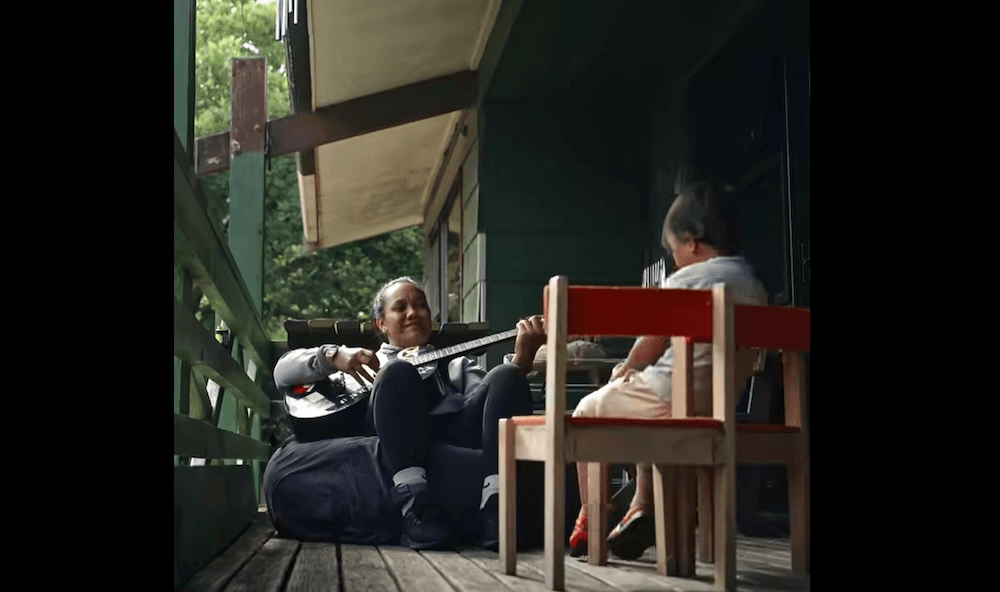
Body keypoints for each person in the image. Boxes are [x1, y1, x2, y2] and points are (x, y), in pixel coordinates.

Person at [262, 277, 545, 551]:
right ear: (381, 323)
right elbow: (281, 372)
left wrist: (521, 361)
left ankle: (497, 508)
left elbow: (488, 410)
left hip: (448, 430)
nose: (413, 313)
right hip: (392, 436)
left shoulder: (455, 364)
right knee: (398, 371)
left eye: (420, 306)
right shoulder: (364, 362)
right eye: (400, 308)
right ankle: (416, 508)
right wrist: (333, 356)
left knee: (507, 375)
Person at [568, 182, 769, 559]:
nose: (674, 262)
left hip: (666, 393)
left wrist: (624, 369)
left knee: (585, 415)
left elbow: (651, 339)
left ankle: (592, 515)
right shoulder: (754, 285)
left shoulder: (686, 280)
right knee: (657, 428)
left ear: (692, 242)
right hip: (717, 406)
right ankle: (642, 506)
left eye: (674, 251)